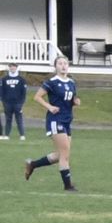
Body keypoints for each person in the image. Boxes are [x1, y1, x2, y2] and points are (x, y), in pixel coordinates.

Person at [24, 56, 80, 191]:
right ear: (55, 66)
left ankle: (33, 164)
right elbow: (37, 97)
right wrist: (49, 106)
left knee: (60, 155)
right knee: (64, 154)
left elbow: (72, 99)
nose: (63, 66)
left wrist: (75, 102)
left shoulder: (71, 82)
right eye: (60, 63)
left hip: (67, 121)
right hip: (56, 120)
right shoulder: (52, 82)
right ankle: (68, 186)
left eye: (65, 63)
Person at [1, 60, 26, 141]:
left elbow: (24, 92)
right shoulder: (4, 79)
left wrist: (21, 102)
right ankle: (7, 135)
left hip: (18, 103)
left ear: (16, 68)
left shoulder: (21, 79)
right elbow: (1, 90)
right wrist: (3, 100)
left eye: (14, 66)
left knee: (19, 119)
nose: (12, 68)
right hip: (7, 103)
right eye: (11, 66)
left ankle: (22, 135)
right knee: (8, 119)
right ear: (9, 68)